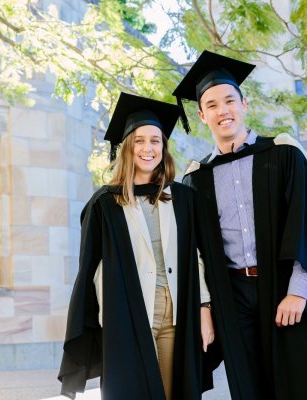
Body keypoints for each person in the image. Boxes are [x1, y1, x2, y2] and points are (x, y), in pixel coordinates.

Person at [58, 92, 215, 399]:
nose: (148, 148)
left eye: (155, 140)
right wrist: (105, 319)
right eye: (140, 141)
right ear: (127, 148)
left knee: (176, 391)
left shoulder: (183, 199)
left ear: (163, 148)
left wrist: (204, 306)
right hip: (127, 313)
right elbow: (91, 269)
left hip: (177, 312)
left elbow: (196, 256)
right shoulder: (105, 203)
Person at [174, 50, 307, 400]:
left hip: (282, 287)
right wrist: (205, 308)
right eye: (213, 105)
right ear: (202, 115)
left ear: (244, 103)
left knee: (295, 381)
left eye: (230, 100)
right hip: (231, 295)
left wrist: (298, 288)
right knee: (247, 387)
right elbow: (195, 250)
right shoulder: (196, 179)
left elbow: (304, 220)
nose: (223, 111)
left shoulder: (283, 155)